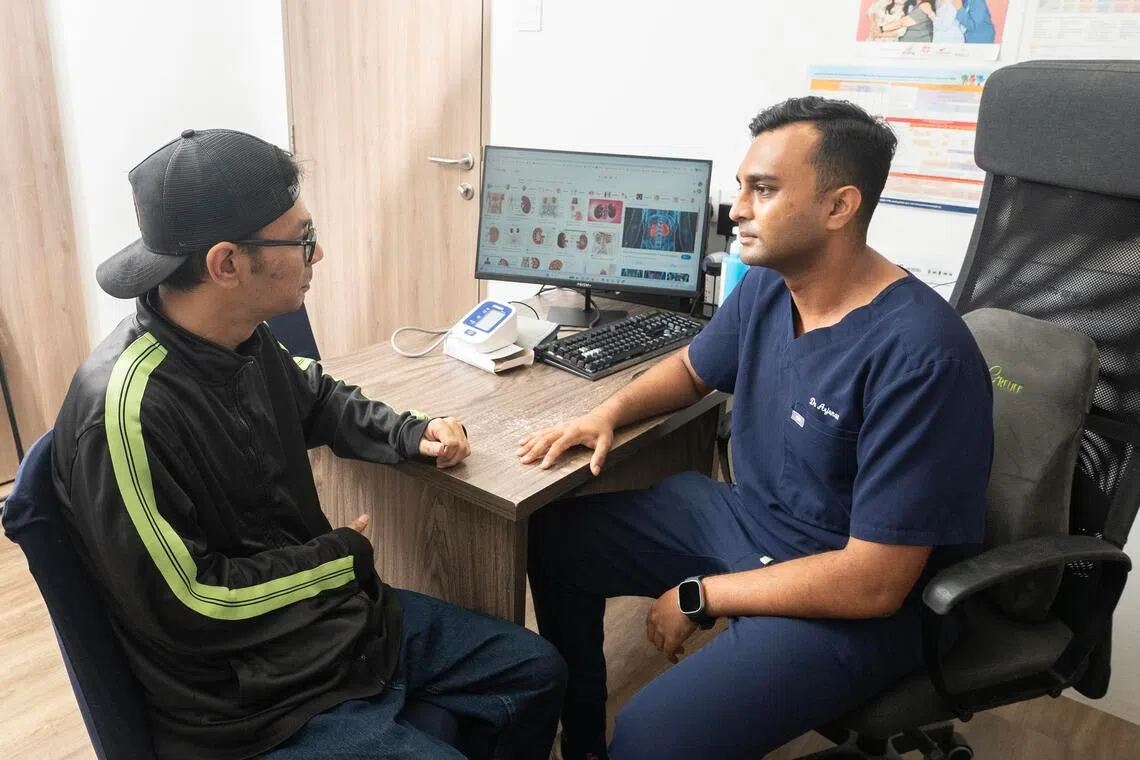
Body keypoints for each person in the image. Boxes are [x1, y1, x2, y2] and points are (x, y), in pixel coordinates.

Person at [53, 129, 566, 760]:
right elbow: (189, 603)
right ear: (226, 264)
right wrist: (341, 557)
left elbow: (317, 397)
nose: (315, 255)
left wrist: (409, 432)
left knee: (535, 673)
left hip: (331, 626)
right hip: (246, 701)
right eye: (301, 240)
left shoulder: (240, 338)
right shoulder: (124, 411)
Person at [518, 97, 993, 760]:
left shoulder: (923, 355)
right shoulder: (774, 285)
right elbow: (691, 368)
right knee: (552, 541)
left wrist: (698, 595)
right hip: (751, 520)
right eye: (741, 187)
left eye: (762, 189)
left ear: (839, 207)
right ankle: (582, 742)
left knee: (653, 738)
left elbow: (873, 582)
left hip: (853, 592)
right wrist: (606, 414)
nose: (736, 208)